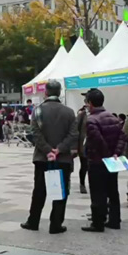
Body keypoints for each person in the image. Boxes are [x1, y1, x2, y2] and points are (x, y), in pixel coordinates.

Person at [21, 80, 77, 234]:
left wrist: (47, 151)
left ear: (45, 92)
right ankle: (56, 224)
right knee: (61, 191)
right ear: (59, 93)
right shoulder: (69, 112)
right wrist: (59, 150)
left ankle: (33, 221)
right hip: (63, 159)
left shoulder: (38, 110)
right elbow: (73, 135)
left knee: (39, 190)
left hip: (42, 158)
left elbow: (35, 134)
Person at [80, 89, 127, 232]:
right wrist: (116, 153)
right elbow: (122, 137)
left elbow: (97, 141)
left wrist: (106, 154)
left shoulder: (92, 120)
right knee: (113, 191)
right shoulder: (113, 117)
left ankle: (98, 222)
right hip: (113, 160)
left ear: (90, 103)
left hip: (97, 161)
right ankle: (114, 220)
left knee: (97, 192)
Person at [76, 92, 90, 194]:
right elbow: (76, 130)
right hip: (83, 144)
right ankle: (82, 183)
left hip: (95, 145)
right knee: (84, 165)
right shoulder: (82, 114)